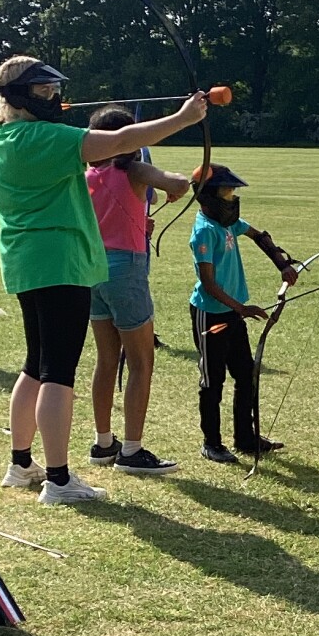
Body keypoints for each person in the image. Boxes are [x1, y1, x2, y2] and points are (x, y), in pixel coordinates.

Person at [0, 56, 207, 506]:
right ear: (20, 95)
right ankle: (59, 480)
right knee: (58, 372)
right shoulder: (48, 138)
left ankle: (21, 464)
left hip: (25, 261)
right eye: (43, 91)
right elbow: (121, 141)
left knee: (35, 363)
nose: (53, 97)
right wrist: (184, 118)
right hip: (61, 262)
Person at [85, 104, 193, 474]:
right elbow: (178, 182)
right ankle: (131, 450)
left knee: (106, 359)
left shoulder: (86, 173)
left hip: (92, 270)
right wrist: (171, 185)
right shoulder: (133, 169)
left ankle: (103, 443)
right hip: (125, 271)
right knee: (141, 362)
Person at [189, 165, 298, 464]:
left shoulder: (228, 223)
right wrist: (242, 309)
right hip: (211, 314)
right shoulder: (204, 231)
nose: (232, 198)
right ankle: (212, 443)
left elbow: (258, 236)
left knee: (245, 374)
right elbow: (209, 284)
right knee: (212, 381)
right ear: (209, 195)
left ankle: (245, 438)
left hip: (233, 312)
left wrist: (282, 264)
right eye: (227, 192)